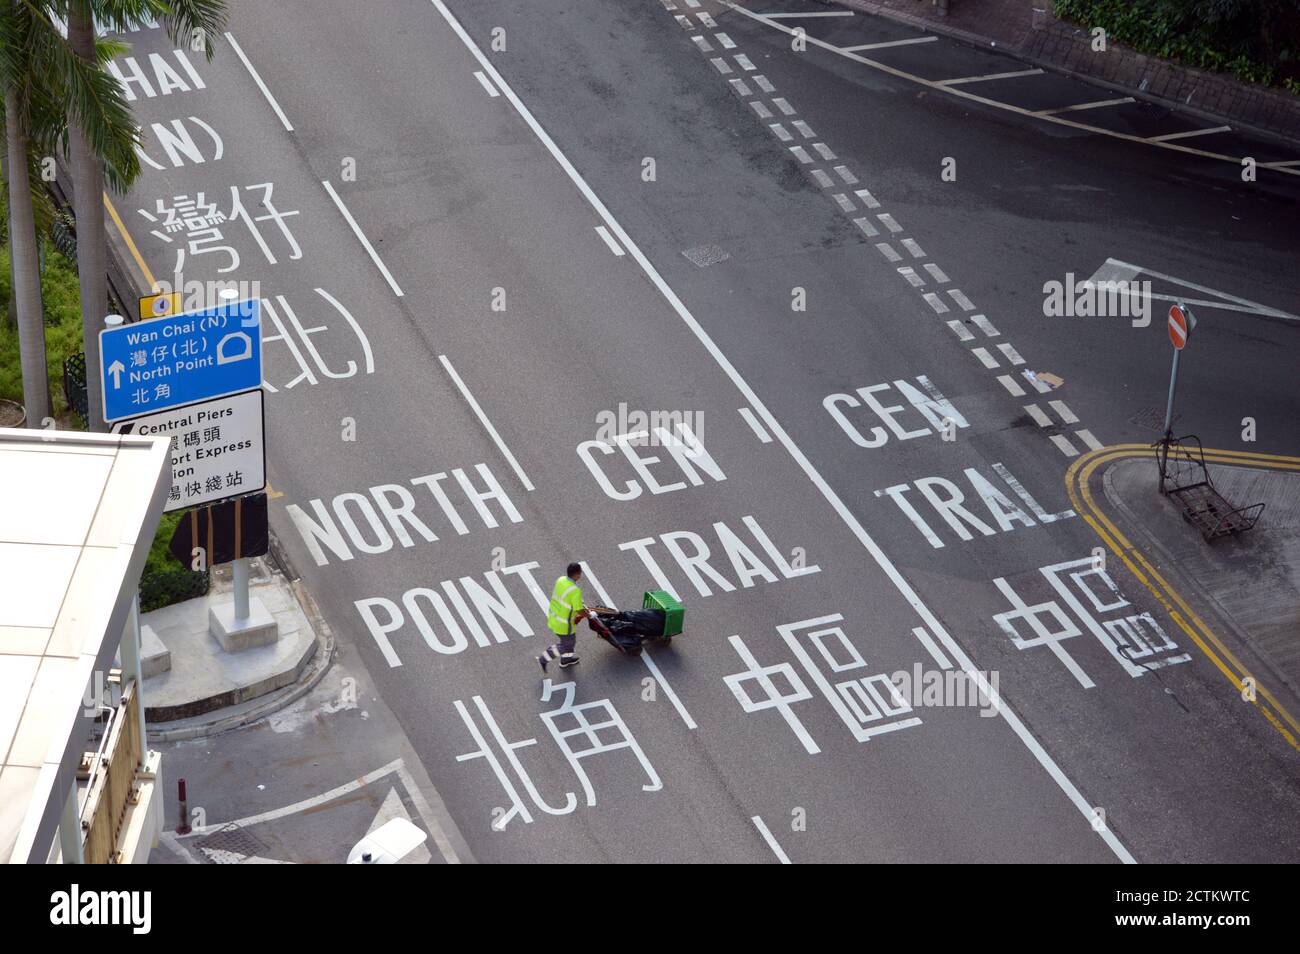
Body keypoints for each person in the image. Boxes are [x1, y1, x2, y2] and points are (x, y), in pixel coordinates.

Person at [538, 562, 590, 672]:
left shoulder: (561, 580)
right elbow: (578, 610)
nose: (581, 575)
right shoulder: (575, 590)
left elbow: (566, 598)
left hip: (554, 618)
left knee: (568, 643)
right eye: (580, 573)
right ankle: (544, 658)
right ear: (576, 575)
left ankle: (566, 660)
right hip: (564, 625)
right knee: (567, 645)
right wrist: (589, 615)